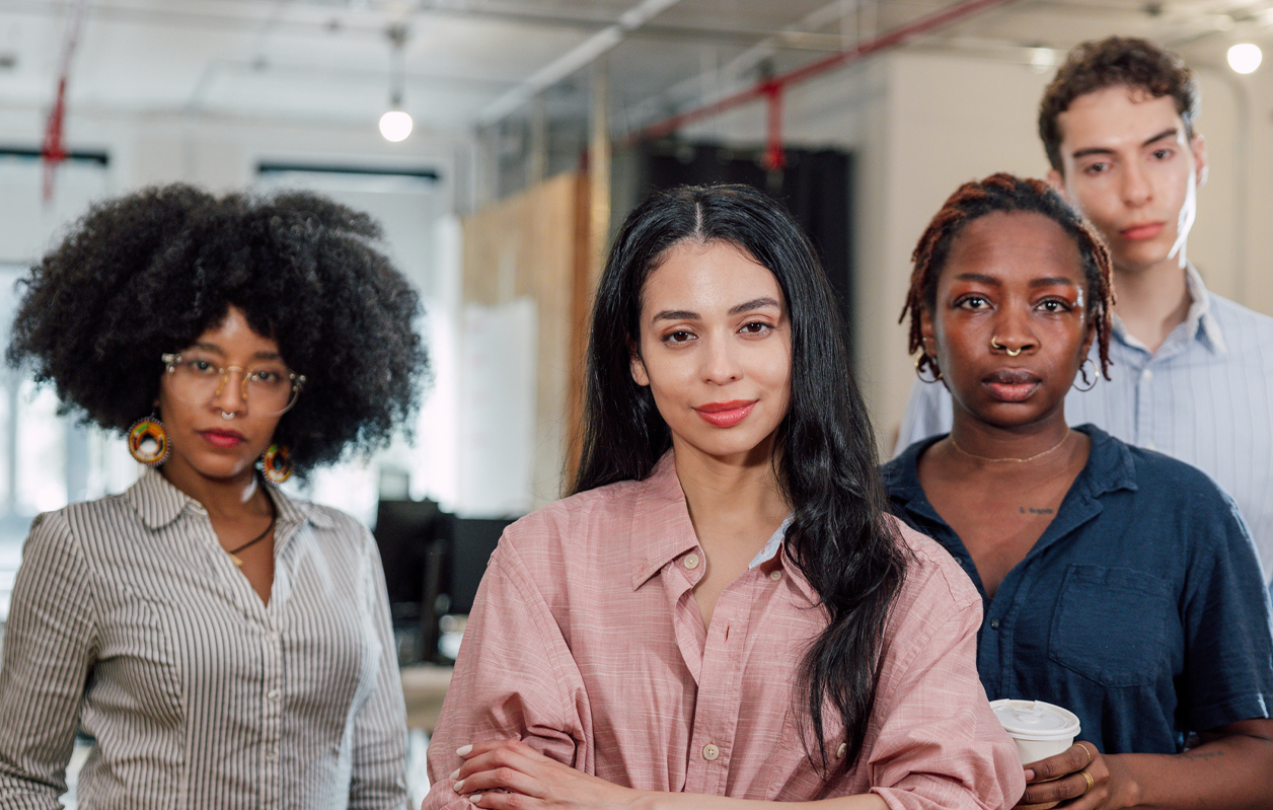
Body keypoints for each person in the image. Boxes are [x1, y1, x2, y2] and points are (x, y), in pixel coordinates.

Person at [420, 184, 1023, 810]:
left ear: (801, 340)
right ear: (637, 357)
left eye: (754, 327)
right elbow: (483, 797)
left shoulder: (913, 581)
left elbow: (946, 802)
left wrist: (619, 802)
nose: (720, 367)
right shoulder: (543, 562)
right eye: (680, 335)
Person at [0, 185, 428, 809]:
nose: (231, 400)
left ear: (300, 391)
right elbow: (19, 780)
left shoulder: (347, 548)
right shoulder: (78, 547)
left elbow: (380, 785)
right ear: (151, 371)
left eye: (264, 373)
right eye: (202, 364)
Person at [882, 173, 1273, 809]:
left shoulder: (1183, 512)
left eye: (1052, 304)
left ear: (1092, 329)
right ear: (927, 326)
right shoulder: (854, 518)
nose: (1013, 334)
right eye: (976, 302)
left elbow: (1261, 759)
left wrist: (1123, 782)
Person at [894, 36, 1273, 595]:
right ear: (1059, 189)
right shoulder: (984, 368)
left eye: (1160, 154)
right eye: (1099, 165)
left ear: (1197, 159)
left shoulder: (1267, 364)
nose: (1137, 190)